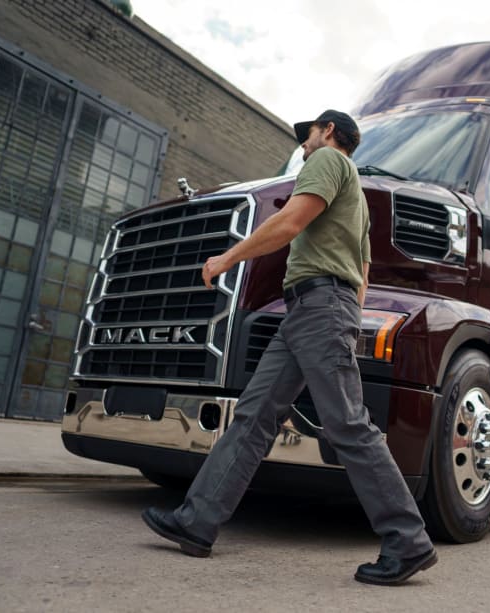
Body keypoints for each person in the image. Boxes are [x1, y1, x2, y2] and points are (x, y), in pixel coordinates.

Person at [141, 109, 437, 586]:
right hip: (309, 310)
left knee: (346, 423)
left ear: (331, 133)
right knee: (255, 416)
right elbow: (362, 275)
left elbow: (289, 223)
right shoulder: (358, 201)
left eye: (308, 136)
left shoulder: (328, 163)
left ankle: (408, 540)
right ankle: (198, 521)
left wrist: (227, 258)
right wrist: (343, 318)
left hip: (318, 307)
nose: (302, 147)